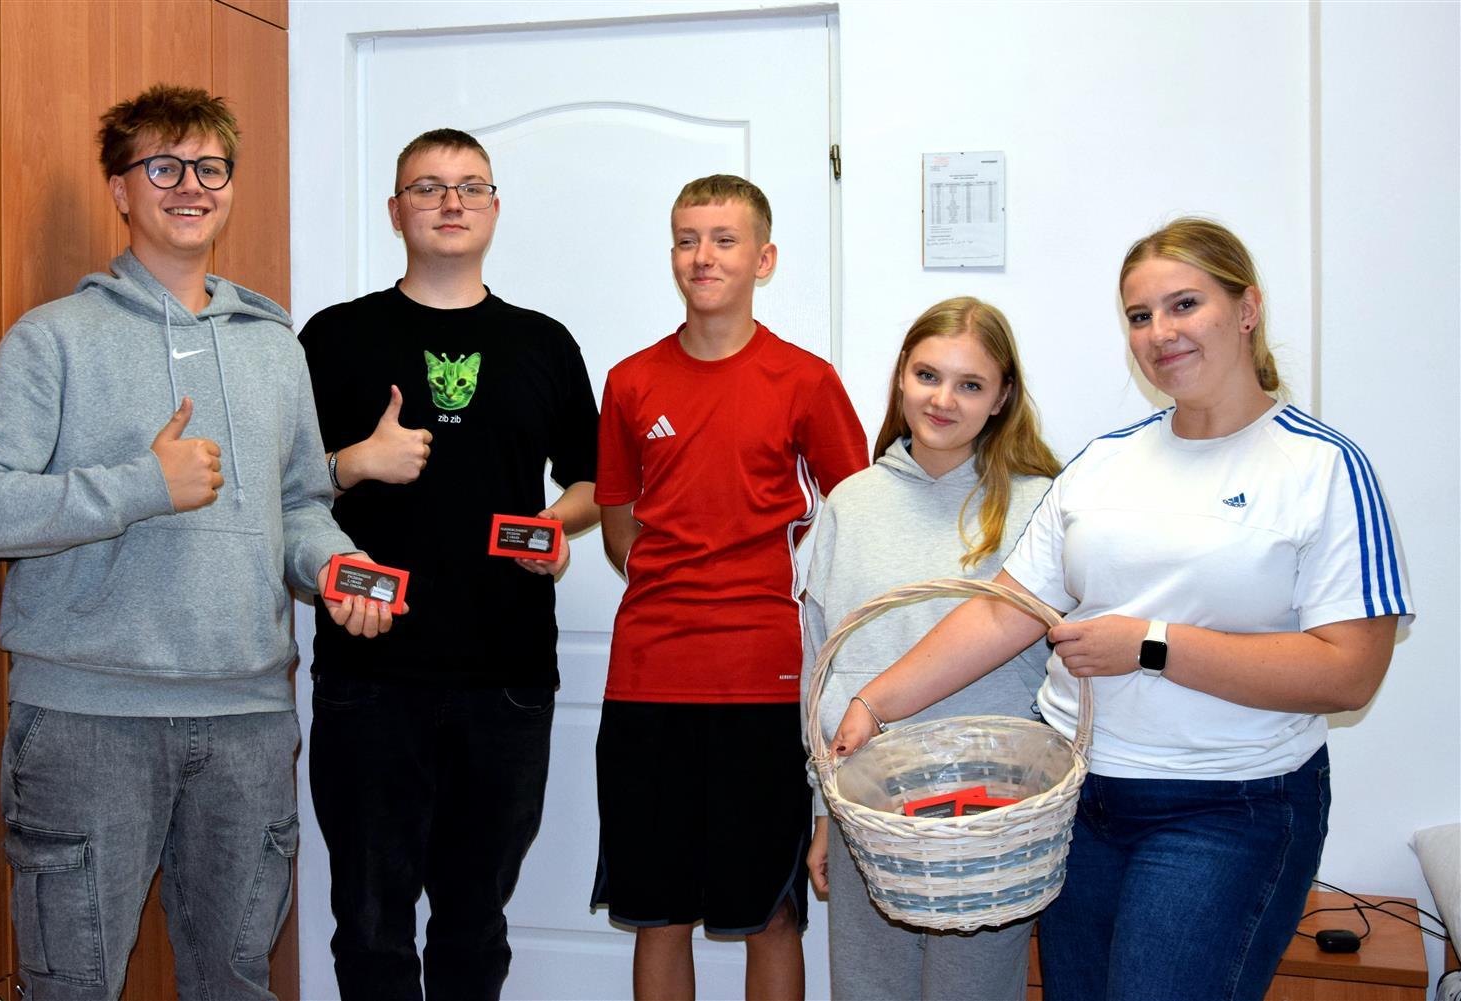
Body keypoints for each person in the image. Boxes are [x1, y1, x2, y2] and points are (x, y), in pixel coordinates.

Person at [832, 217, 1413, 1001]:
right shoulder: (1104, 463)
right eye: (1140, 315)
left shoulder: (1323, 467)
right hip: (1077, 802)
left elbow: (1348, 673)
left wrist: (1153, 644)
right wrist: (874, 702)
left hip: (1227, 808)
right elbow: (1003, 612)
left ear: (1247, 310)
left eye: (1184, 304)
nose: (1160, 332)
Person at [0, 84, 388, 1001]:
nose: (191, 187)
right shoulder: (54, 339)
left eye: (210, 168)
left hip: (249, 720)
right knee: (73, 986)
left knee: (235, 983)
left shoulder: (274, 346)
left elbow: (299, 503)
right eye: (164, 167)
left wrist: (336, 564)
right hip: (87, 721)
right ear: (121, 190)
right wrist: (142, 485)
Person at [298, 128, 600, 1001]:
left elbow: (592, 481)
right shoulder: (335, 336)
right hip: (368, 675)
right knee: (370, 926)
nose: (451, 201)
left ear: (495, 209)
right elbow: (281, 490)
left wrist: (555, 525)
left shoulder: (543, 343)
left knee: (474, 925)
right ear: (397, 211)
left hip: (505, 680)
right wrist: (357, 461)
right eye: (428, 187)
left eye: (471, 186)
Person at [593, 174, 869, 1000]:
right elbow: (618, 528)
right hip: (648, 680)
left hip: (765, 684)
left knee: (770, 913)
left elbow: (858, 516)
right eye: (687, 239)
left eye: (723, 239)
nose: (702, 256)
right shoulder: (630, 380)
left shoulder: (805, 379)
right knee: (658, 914)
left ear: (764, 258)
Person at [802, 297, 1059, 1001]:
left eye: (970, 384)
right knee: (867, 989)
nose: (943, 400)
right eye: (927, 375)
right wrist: (824, 809)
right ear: (901, 378)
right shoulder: (850, 503)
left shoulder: (1040, 504)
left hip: (990, 815)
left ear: (1002, 396)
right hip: (866, 807)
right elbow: (820, 660)